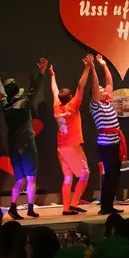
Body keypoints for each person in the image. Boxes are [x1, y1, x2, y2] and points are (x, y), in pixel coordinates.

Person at [0, 57, 48, 219]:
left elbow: (3, 95)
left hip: (13, 146)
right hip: (27, 145)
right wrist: (41, 73)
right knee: (31, 179)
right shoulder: (24, 104)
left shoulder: (5, 106)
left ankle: (13, 207)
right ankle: (30, 208)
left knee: (20, 180)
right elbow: (34, 90)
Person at [50, 55, 93, 216]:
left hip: (61, 148)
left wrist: (52, 76)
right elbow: (81, 86)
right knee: (84, 175)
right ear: (70, 98)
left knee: (68, 177)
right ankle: (73, 203)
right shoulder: (73, 106)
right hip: (73, 148)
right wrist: (87, 68)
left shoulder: (57, 107)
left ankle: (66, 208)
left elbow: (54, 91)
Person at [90, 54, 126, 215]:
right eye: (100, 89)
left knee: (115, 176)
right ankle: (105, 207)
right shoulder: (96, 105)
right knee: (110, 175)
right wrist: (93, 68)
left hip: (115, 143)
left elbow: (110, 82)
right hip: (106, 146)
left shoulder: (107, 101)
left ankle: (109, 205)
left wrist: (103, 65)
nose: (104, 89)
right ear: (95, 94)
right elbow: (95, 84)